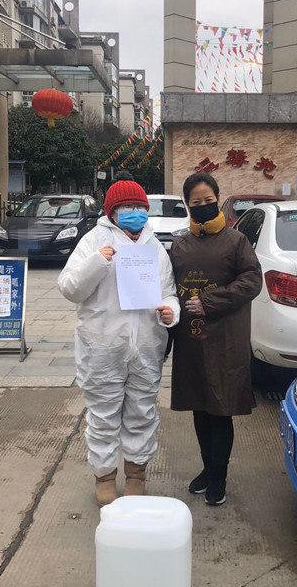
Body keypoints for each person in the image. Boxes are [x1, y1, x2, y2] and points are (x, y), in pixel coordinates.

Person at [58, 179, 180, 505]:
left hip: (146, 346)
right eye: (128, 207)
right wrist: (98, 262)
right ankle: (105, 476)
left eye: (140, 207)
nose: (135, 213)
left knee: (142, 412)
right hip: (103, 347)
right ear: (112, 211)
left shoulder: (154, 247)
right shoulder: (93, 241)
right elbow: (69, 288)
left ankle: (136, 473)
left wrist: (172, 311)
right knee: (103, 415)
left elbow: (168, 291)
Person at [169, 173, 262, 506]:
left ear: (218, 199)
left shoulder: (236, 241)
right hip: (191, 340)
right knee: (200, 407)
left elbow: (252, 281)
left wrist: (209, 302)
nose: (203, 206)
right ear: (187, 205)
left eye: (208, 201)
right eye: (196, 202)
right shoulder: (180, 245)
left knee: (220, 410)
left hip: (225, 339)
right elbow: (168, 288)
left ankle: (219, 476)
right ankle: (207, 468)